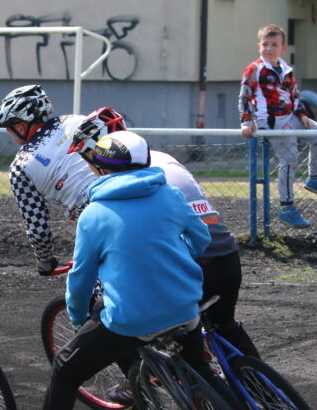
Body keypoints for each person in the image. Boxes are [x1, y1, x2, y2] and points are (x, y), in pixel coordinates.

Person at [11, 131, 213, 410]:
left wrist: (78, 320)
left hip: (129, 319)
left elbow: (80, 282)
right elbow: (201, 239)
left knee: (65, 367)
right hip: (185, 307)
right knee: (204, 377)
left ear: (99, 169)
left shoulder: (95, 214)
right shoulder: (170, 195)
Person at [69, 106, 260, 369]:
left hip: (195, 266)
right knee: (225, 326)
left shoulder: (124, 181)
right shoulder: (161, 159)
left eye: (86, 157)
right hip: (226, 254)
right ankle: (270, 405)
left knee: (141, 317)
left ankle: (142, 382)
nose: (88, 166)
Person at [239, 24, 317, 229]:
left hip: (290, 116)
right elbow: (245, 96)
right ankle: (286, 207)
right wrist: (246, 122)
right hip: (272, 120)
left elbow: (294, 96)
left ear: (282, 48)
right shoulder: (254, 69)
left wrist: (302, 115)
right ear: (259, 46)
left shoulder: (286, 69)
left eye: (273, 45)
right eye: (265, 44)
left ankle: (315, 178)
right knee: (289, 158)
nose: (269, 49)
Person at [0, 84, 100, 276]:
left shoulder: (20, 166)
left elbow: (38, 228)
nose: (10, 136)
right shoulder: (76, 120)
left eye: (9, 130)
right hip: (133, 188)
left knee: (88, 292)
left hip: (95, 216)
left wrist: (45, 261)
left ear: (20, 126)